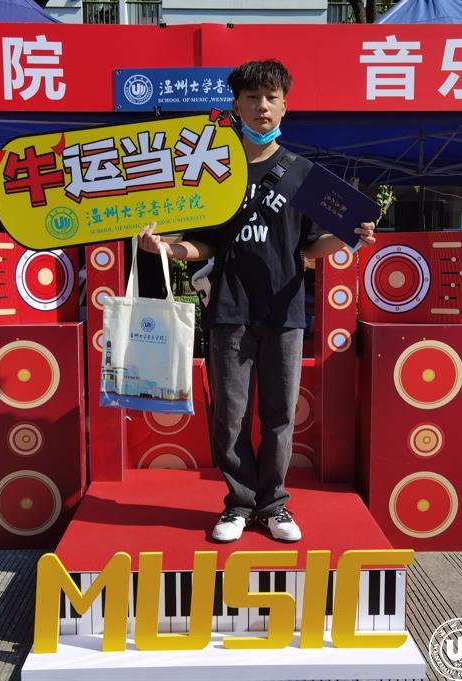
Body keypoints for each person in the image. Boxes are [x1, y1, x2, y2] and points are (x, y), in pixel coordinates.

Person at [138, 59, 375, 543]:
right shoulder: (215, 171)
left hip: (284, 312)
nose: (261, 106)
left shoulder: (305, 174)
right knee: (231, 416)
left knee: (280, 414)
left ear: (285, 105)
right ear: (236, 106)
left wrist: (349, 237)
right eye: (252, 97)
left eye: (271, 97)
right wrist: (164, 248)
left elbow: (311, 249)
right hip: (228, 309)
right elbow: (204, 244)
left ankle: (274, 505)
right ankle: (238, 504)